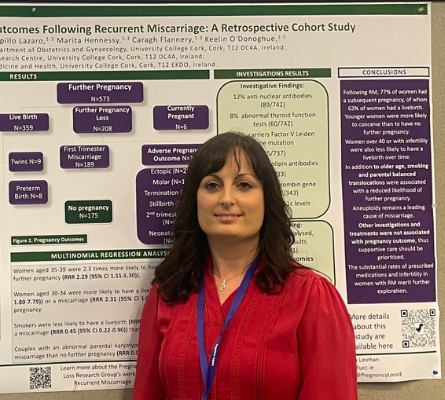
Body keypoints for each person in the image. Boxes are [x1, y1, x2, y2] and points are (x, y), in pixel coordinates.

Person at [133, 132, 357, 400]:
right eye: (212, 185)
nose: (226, 198)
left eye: (244, 185)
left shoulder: (310, 295)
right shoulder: (168, 292)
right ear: (195, 200)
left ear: (267, 200)